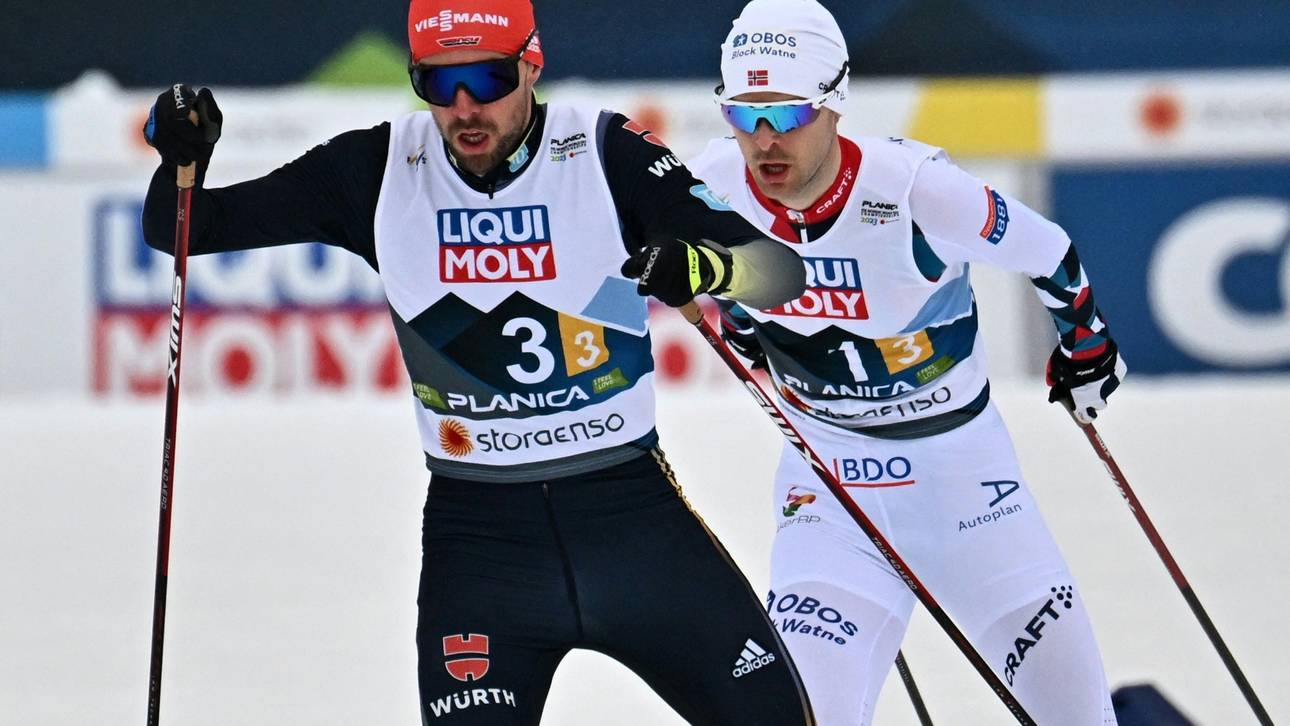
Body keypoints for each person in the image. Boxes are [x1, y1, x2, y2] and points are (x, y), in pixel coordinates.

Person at [139, 0, 817, 723]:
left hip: (631, 521)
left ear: (531, 65)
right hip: (483, 547)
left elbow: (777, 271)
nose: (464, 109)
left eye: (488, 80)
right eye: (438, 85)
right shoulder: (376, 168)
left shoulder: (604, 150)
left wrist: (705, 268)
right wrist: (181, 154)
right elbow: (182, 229)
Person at [687, 1, 1126, 723]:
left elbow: (1048, 253)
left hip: (966, 489)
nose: (765, 141)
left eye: (789, 115)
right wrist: (726, 312)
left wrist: (1086, 348)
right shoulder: (709, 187)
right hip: (829, 486)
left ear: (834, 103)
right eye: (744, 115)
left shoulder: (915, 189)